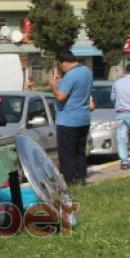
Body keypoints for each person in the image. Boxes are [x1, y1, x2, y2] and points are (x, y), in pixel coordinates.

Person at [49, 49, 93, 185]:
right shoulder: (87, 71)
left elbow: (61, 96)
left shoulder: (70, 75)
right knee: (80, 152)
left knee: (67, 155)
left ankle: (71, 183)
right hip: (83, 119)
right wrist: (62, 82)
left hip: (68, 121)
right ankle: (81, 179)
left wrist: (53, 86)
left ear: (63, 63)